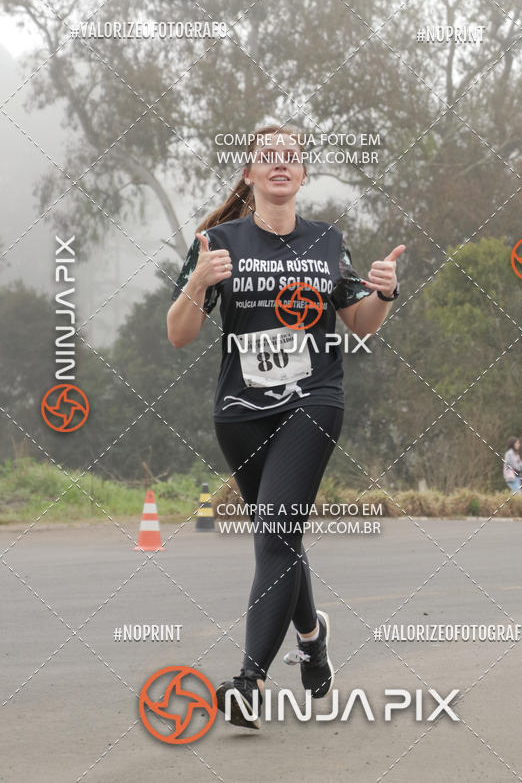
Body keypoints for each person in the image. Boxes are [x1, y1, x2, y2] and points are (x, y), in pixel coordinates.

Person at [166, 123, 405, 729]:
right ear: (249, 173)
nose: (279, 165)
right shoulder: (217, 241)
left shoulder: (327, 242)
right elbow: (179, 333)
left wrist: (384, 293)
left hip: (313, 402)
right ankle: (313, 635)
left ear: (301, 175)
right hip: (240, 414)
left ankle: (249, 681)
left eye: (291, 159)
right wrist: (198, 281)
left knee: (274, 532)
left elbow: (363, 323)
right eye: (266, 158)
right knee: (281, 539)